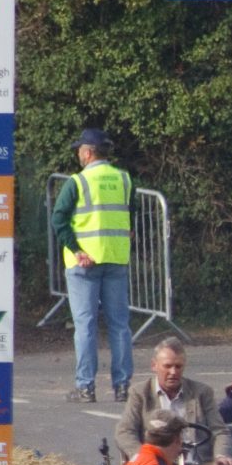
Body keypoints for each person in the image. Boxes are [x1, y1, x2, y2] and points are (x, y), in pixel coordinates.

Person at [51, 128, 137, 404]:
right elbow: (130, 215)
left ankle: (86, 387)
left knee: (86, 325)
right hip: (115, 258)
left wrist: (77, 250)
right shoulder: (124, 179)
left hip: (83, 263)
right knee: (120, 325)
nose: (78, 154)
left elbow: (59, 220)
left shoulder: (77, 182)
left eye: (79, 150)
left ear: (88, 153)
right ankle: (122, 386)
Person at [116, 337, 231, 465]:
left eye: (178, 366)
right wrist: (142, 456)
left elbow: (220, 431)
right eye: (168, 366)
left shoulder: (202, 392)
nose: (173, 372)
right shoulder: (139, 392)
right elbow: (124, 431)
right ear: (154, 365)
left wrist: (221, 455)